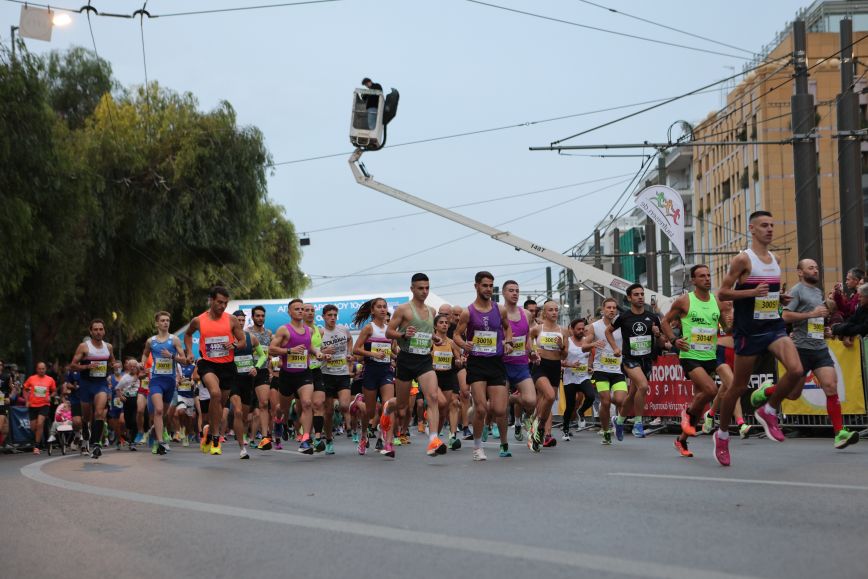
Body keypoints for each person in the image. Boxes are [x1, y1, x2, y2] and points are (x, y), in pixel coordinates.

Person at [714, 211, 804, 466]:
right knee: (738, 387)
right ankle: (721, 435)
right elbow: (722, 293)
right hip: (749, 332)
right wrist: (752, 291)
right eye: (764, 225)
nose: (770, 229)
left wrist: (779, 298)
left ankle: (769, 409)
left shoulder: (775, 259)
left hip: (773, 326)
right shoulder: (743, 259)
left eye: (772, 225)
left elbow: (768, 294)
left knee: (797, 370)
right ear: (752, 229)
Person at [771, 259, 859, 449]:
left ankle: (839, 433)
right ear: (800, 272)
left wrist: (823, 329)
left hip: (819, 348)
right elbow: (785, 315)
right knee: (793, 394)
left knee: (830, 386)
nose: (815, 270)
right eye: (811, 268)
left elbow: (816, 319)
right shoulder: (796, 291)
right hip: (801, 348)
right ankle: (767, 391)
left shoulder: (817, 292)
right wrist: (811, 314)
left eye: (817, 268)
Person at [661, 265, 727, 458]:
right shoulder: (685, 301)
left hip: (710, 356)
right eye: (702, 276)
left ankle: (680, 441)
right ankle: (686, 414)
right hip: (690, 355)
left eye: (708, 275)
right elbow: (665, 321)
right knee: (711, 390)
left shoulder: (717, 302)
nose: (707, 279)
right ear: (693, 280)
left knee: (700, 403)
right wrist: (674, 340)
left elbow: (726, 327)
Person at [452, 271, 515, 461]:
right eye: (484, 285)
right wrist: (464, 345)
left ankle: (504, 443)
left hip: (496, 361)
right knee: (481, 409)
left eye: (490, 286)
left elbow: (507, 328)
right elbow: (456, 335)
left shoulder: (500, 309)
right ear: (476, 286)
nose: (488, 289)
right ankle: (477, 448)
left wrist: (509, 342)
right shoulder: (467, 312)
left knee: (500, 409)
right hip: (477, 363)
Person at [387, 274, 449, 457]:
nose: (424, 291)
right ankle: (387, 408)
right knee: (402, 406)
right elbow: (389, 332)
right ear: (412, 288)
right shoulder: (403, 309)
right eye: (420, 288)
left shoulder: (431, 310)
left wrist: (434, 337)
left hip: (424, 360)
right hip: (406, 359)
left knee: (433, 398)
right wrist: (403, 335)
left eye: (427, 288)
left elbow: (426, 333)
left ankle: (433, 440)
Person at [183, 286, 247, 456]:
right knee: (215, 394)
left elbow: (242, 341)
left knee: (220, 403)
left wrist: (234, 344)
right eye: (219, 302)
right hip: (208, 363)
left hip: (227, 366)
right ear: (211, 300)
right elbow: (188, 335)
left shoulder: (231, 320)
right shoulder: (199, 320)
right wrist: (189, 351)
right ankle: (216, 437)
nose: (223, 306)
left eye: (225, 303)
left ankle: (209, 431)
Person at [605, 283, 663, 439]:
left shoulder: (653, 317)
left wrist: (657, 335)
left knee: (632, 395)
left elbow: (662, 342)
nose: (640, 297)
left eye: (642, 294)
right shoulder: (623, 317)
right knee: (643, 386)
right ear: (629, 298)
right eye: (636, 294)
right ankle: (638, 423)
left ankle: (619, 420)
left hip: (646, 360)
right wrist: (615, 348)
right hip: (629, 359)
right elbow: (608, 332)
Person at [270, 299, 322, 455]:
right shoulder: (283, 330)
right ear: (290, 312)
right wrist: (289, 351)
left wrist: (318, 353)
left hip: (304, 373)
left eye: (302, 309)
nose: (301, 311)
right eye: (297, 309)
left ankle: (305, 439)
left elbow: (309, 347)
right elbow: (272, 349)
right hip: (287, 375)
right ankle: (279, 421)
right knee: (283, 409)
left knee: (307, 403)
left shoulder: (310, 330)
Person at [352, 297, 398, 457]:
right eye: (379, 307)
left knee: (388, 405)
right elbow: (355, 349)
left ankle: (388, 443)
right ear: (372, 310)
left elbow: (391, 350)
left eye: (384, 306)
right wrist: (372, 354)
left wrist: (397, 355)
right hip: (370, 371)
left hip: (386, 371)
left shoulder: (389, 330)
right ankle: (364, 436)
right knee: (370, 413)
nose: (383, 309)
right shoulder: (368, 328)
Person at [141, 311, 187, 456]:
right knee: (158, 410)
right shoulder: (151, 341)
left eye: (167, 320)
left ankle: (161, 434)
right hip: (156, 380)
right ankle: (159, 442)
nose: (165, 323)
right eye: (162, 320)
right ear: (157, 323)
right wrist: (142, 365)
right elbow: (144, 353)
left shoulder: (174, 340)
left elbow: (184, 360)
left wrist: (172, 356)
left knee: (165, 414)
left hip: (170, 381)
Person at [69, 319, 117, 459]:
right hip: (85, 385)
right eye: (95, 329)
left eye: (101, 329)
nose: (98, 332)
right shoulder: (84, 347)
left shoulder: (108, 347)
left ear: (104, 331)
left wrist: (114, 365)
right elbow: (72, 365)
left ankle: (96, 444)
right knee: (86, 416)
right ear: (91, 331)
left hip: (100, 384)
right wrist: (86, 367)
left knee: (100, 412)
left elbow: (112, 361)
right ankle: (84, 430)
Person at [583, 298, 624, 445]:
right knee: (605, 402)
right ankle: (606, 431)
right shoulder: (594, 326)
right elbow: (584, 346)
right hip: (600, 369)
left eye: (614, 308)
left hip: (618, 369)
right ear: (603, 309)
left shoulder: (621, 325)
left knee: (620, 400)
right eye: (609, 307)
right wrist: (594, 343)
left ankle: (617, 422)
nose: (612, 310)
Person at [502, 281, 538, 445]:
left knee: (531, 401)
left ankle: (514, 400)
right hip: (502, 364)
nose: (515, 293)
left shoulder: (526, 314)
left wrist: (531, 352)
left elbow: (527, 338)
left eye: (517, 290)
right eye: (511, 290)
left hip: (521, 364)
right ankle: (503, 443)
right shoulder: (497, 312)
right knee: (499, 408)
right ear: (503, 293)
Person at [528, 300, 566, 449]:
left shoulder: (563, 331)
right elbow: (527, 340)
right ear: (544, 312)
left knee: (548, 401)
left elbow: (564, 355)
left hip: (555, 367)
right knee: (549, 395)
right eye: (551, 310)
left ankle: (538, 425)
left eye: (556, 310)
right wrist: (532, 351)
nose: (554, 312)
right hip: (540, 366)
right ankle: (540, 426)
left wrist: (561, 346)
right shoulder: (538, 329)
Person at [229, 310, 266, 459]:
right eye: (238, 320)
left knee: (244, 416)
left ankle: (241, 434)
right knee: (237, 411)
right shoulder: (227, 338)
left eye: (243, 320)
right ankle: (242, 448)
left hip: (247, 380)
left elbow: (263, 355)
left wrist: (256, 367)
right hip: (232, 379)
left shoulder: (251, 338)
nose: (241, 322)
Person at [319, 304, 355, 455]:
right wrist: (323, 351)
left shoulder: (343, 330)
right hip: (326, 374)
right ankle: (328, 439)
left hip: (342, 373)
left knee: (345, 406)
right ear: (324, 317)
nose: (332, 318)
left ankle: (347, 425)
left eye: (335, 315)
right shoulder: (320, 332)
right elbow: (313, 350)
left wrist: (350, 356)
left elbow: (350, 339)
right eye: (329, 315)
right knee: (327, 412)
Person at [561, 318, 595, 441]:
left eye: (583, 329)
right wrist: (569, 365)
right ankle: (566, 429)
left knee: (591, 396)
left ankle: (581, 411)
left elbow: (590, 355)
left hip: (583, 377)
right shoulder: (568, 342)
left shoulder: (586, 341)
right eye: (578, 329)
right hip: (570, 377)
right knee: (570, 406)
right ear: (572, 330)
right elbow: (560, 361)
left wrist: (590, 367)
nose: (581, 331)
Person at [248, 305, 275, 451]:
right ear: (252, 317)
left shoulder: (269, 333)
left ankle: (265, 437)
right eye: (257, 316)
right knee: (246, 410)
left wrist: (272, 359)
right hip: (247, 372)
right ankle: (249, 436)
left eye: (262, 316)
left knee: (264, 404)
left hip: (262, 371)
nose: (260, 318)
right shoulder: (247, 332)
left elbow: (271, 351)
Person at [23, 362, 57, 454]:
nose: (41, 370)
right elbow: (25, 389)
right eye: (39, 369)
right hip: (33, 405)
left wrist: (51, 396)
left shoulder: (50, 379)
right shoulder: (31, 378)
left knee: (40, 423)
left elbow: (54, 391)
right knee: (33, 427)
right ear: (37, 369)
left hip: (44, 405)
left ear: (45, 369)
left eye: (43, 369)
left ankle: (37, 446)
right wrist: (27, 400)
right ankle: (39, 439)